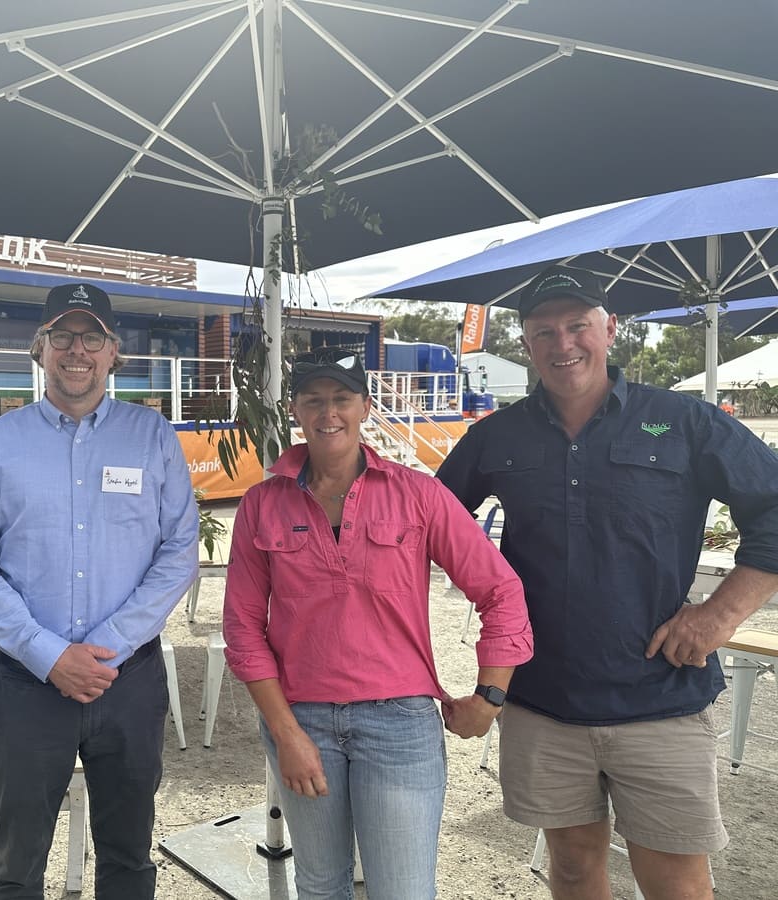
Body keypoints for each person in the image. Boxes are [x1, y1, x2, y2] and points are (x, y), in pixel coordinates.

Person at [436, 264, 778, 900]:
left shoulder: (683, 422)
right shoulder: (496, 437)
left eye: (577, 326)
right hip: (543, 702)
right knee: (569, 868)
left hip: (659, 700)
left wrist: (719, 616)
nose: (563, 345)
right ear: (526, 344)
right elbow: (423, 521)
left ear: (609, 328)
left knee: (677, 882)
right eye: (544, 332)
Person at [223, 348, 533, 900]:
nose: (328, 413)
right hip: (302, 721)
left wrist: (490, 696)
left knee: (404, 890)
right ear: (294, 410)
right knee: (320, 884)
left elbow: (500, 589)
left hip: (400, 724)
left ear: (365, 406)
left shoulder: (418, 494)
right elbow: (244, 630)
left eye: (342, 399)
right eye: (313, 400)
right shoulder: (261, 505)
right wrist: (287, 733)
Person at [0, 281, 198, 899]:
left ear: (114, 352)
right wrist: (49, 654)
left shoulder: (154, 439)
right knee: (16, 864)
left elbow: (177, 552)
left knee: (129, 858)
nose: (77, 350)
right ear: (40, 349)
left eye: (92, 336)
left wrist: (106, 646)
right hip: (26, 685)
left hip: (128, 682)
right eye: (62, 335)